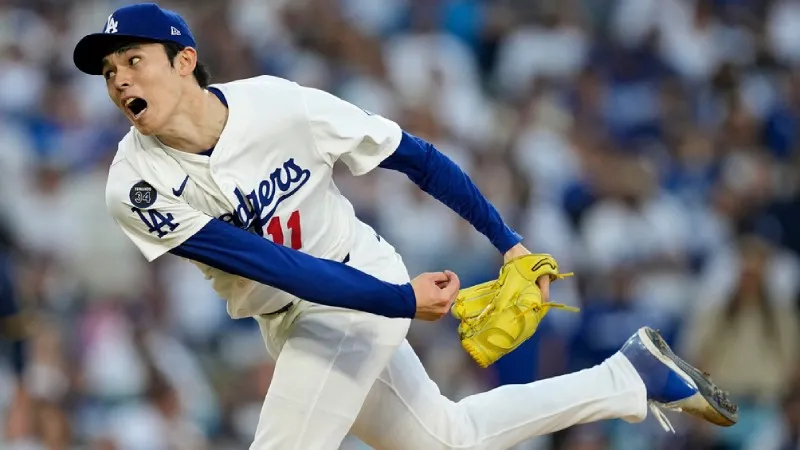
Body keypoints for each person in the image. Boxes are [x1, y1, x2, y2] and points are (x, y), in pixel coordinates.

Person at [72, 3, 738, 449]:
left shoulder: (277, 106)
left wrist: (507, 240)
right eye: (109, 72)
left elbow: (413, 156)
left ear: (184, 61)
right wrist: (399, 301)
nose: (119, 80)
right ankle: (629, 378)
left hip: (355, 281)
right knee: (448, 438)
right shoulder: (134, 185)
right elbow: (273, 266)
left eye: (133, 60)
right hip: (314, 307)